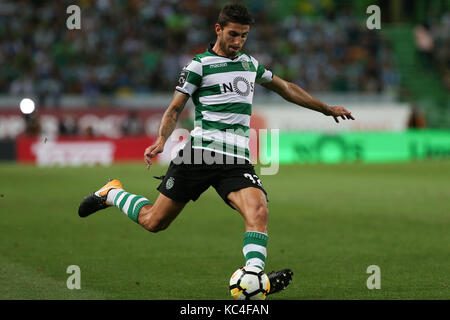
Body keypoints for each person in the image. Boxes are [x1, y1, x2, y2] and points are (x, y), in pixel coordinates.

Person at [78, 3, 354, 297]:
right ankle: (112, 193)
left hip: (236, 160)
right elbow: (174, 109)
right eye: (233, 35)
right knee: (153, 222)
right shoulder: (198, 65)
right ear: (218, 30)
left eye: (244, 36)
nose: (238, 42)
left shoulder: (250, 64)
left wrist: (325, 109)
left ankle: (253, 279)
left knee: (258, 211)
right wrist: (161, 140)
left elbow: (285, 88)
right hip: (199, 155)